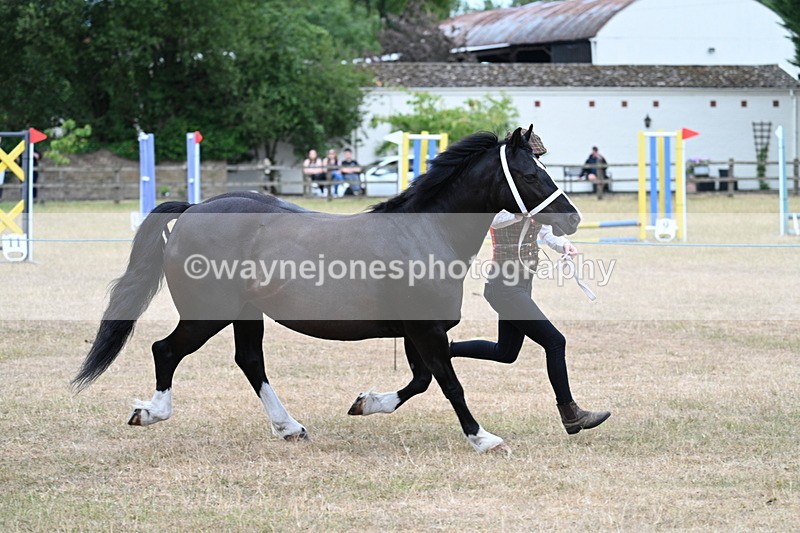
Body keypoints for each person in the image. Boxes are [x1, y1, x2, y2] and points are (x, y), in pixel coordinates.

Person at [449, 132, 610, 435]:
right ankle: (570, 413)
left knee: (505, 352)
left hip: (523, 283)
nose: (535, 163)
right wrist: (519, 210)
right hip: (503, 285)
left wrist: (563, 246)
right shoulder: (502, 194)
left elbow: (545, 232)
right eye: (532, 158)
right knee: (555, 341)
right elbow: (491, 221)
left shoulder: (533, 194)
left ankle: (444, 350)